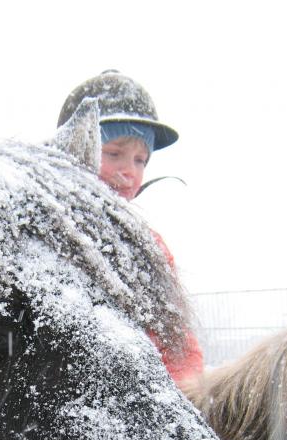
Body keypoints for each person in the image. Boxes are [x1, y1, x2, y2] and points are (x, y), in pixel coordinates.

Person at [58, 70, 203, 384]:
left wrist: (187, 393)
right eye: (113, 154)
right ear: (71, 152)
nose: (129, 173)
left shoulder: (149, 244)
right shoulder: (50, 232)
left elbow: (176, 343)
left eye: (140, 160)